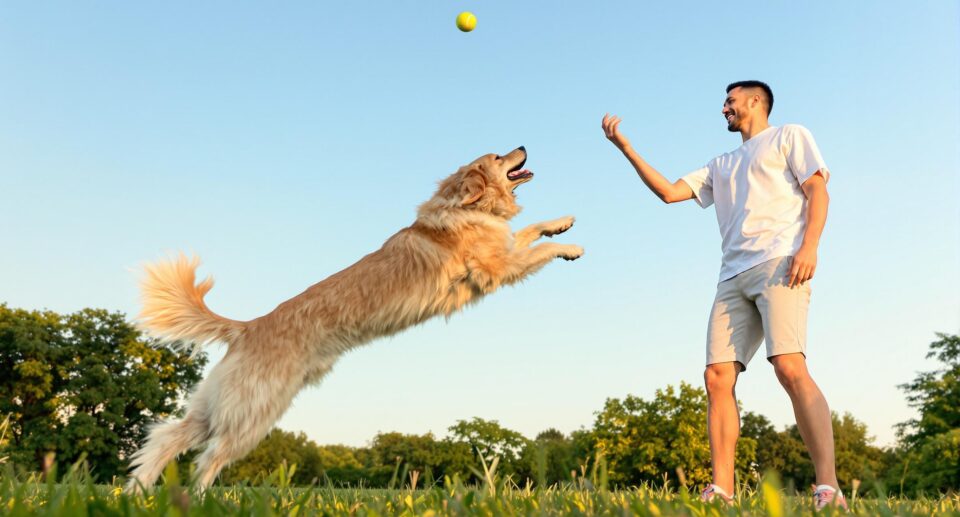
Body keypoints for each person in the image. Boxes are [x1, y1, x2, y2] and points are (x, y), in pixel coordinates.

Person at [602, 80, 847, 511]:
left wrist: (810, 246)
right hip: (731, 276)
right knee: (716, 377)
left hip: (781, 263)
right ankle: (723, 490)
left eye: (730, 101)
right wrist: (625, 146)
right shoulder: (721, 163)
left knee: (789, 367)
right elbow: (668, 192)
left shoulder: (790, 135)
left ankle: (828, 487)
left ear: (755, 101)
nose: (724, 108)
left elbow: (817, 190)